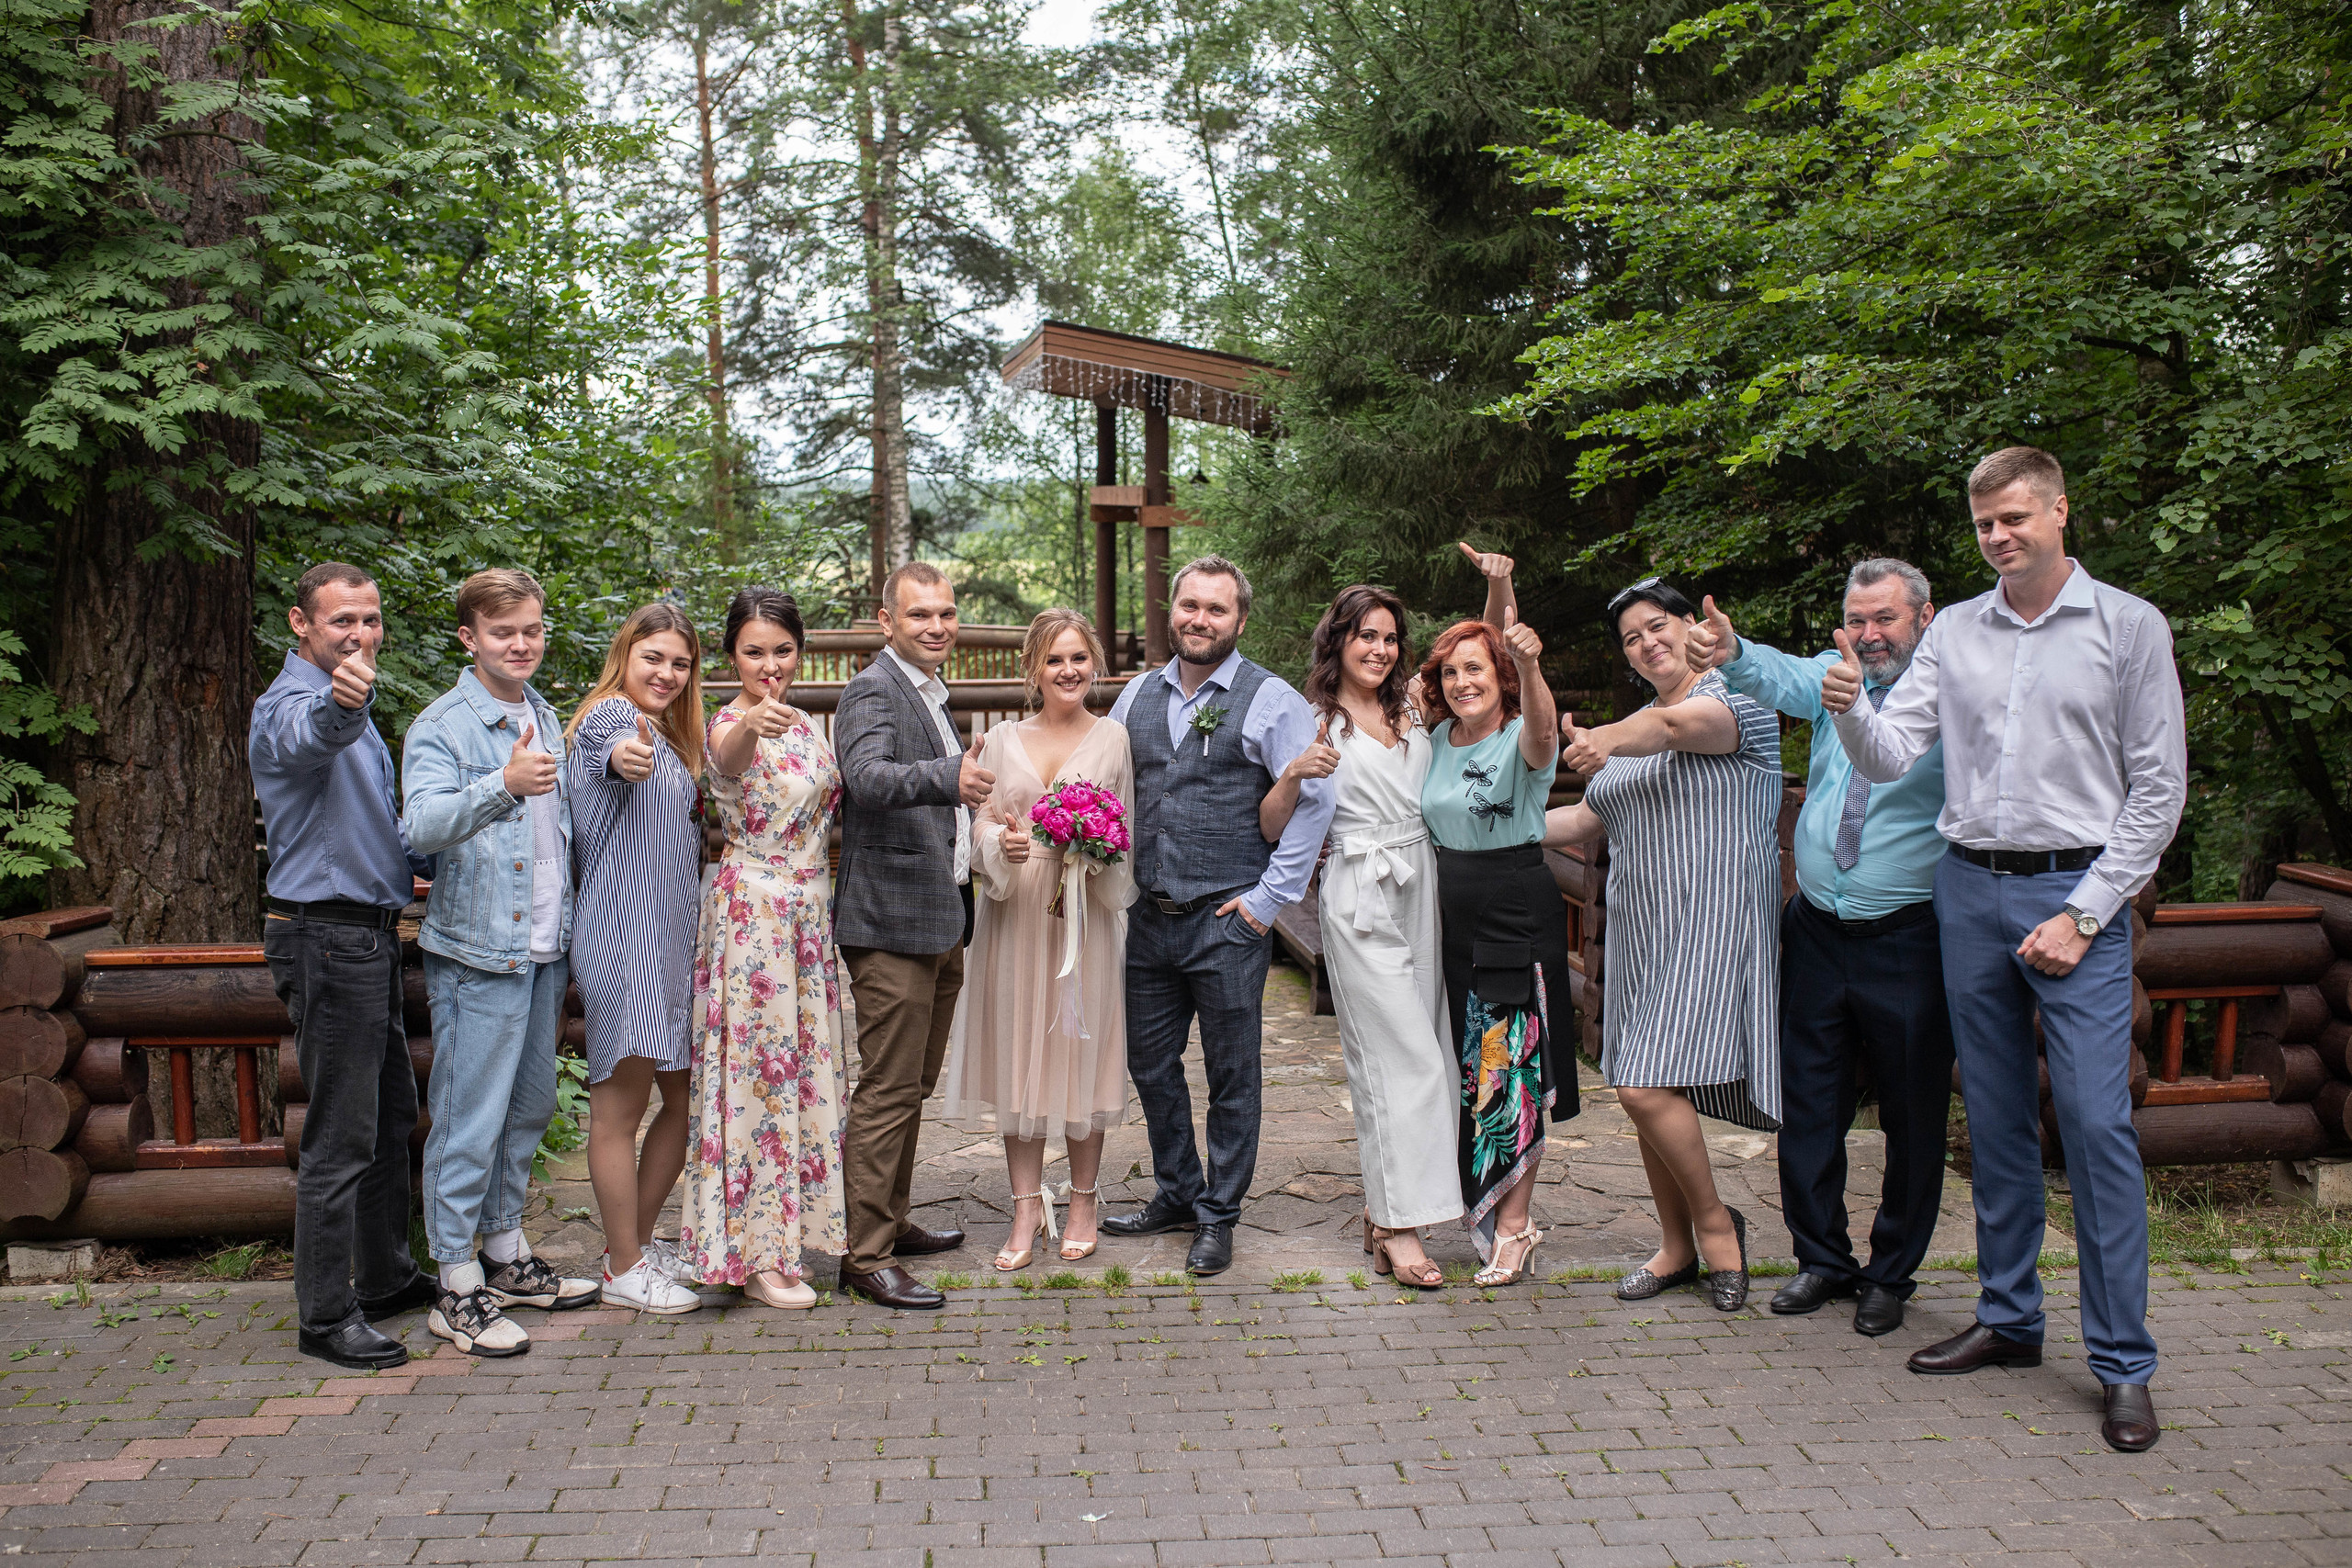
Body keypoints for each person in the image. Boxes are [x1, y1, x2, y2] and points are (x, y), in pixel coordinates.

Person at [1826, 446, 2185, 1454]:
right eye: (1985, 524)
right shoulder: (1958, 634)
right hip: (1967, 888)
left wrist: (2085, 914)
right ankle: (2010, 1319)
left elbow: (2158, 790)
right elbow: (1896, 755)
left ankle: (2122, 1364)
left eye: (2016, 517)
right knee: (1989, 1117)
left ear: (2060, 510)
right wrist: (1852, 712)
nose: (1999, 537)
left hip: (2078, 894)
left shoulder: (2126, 627)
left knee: (2092, 1123)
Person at [1683, 560, 1952, 1337]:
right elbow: (1776, 674)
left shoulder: (1950, 693)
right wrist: (1733, 650)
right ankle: (1822, 1259)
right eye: (1857, 620)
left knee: (1912, 1117)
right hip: (1817, 931)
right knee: (1809, 1108)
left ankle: (1890, 1273)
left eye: (1886, 620)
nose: (1870, 636)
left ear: (1925, 619)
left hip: (1909, 937)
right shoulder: (1835, 675)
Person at [1544, 578, 1782, 1312]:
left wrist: (1600, 739)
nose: (1647, 643)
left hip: (1718, 920)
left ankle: (1716, 1228)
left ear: (1689, 626)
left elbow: (1680, 730)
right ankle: (1676, 1245)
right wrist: (1477, 833)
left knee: (1643, 1082)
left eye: (1657, 627)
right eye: (1632, 639)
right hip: (1646, 931)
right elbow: (1584, 820)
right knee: (1652, 1088)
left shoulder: (1736, 701)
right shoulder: (1638, 723)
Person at [1102, 555, 1338, 1276]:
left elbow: (1315, 803)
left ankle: (1219, 1213)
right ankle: (1176, 1188)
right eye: (1190, 605)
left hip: (1227, 917)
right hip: (1148, 916)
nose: (1199, 619)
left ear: (1240, 620)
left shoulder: (1272, 699)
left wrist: (1268, 901)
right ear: (1172, 610)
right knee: (1149, 1062)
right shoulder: (1135, 695)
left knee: (1232, 1072)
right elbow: (1107, 790)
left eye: (1216, 609)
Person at [401, 569, 603, 1357]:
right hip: (479, 954)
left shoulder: (544, 711)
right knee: (467, 1119)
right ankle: (454, 1285)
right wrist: (501, 785)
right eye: (502, 632)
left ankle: (505, 1254)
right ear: (469, 637)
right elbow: (420, 823)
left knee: (526, 1111)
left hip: (543, 950)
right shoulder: (444, 725)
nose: (520, 644)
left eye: (531, 630)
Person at [251, 560, 435, 1370]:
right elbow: (308, 735)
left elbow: (374, 829)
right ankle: (325, 1316)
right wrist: (342, 702)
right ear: (302, 625)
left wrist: (419, 851)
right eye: (341, 623)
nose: (360, 635)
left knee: (391, 1117)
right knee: (339, 1137)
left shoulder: (353, 705)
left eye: (370, 620)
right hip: (325, 940)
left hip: (370, 933)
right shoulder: (291, 705)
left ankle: (387, 1276)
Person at [942, 610, 1137, 1270]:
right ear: (1033, 668)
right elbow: (978, 830)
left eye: (1080, 657)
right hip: (1016, 914)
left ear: (1096, 665)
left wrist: (1095, 849)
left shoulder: (1113, 738)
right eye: (1055, 659)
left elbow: (1124, 830)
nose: (1068, 670)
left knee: (1082, 1057)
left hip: (1084, 917)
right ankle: (1027, 1204)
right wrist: (1004, 842)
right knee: (1019, 1057)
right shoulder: (998, 740)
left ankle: (1082, 1200)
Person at [680, 588, 848, 1311]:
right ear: (731, 658)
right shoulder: (727, 721)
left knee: (802, 1078)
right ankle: (750, 1254)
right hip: (754, 921)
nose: (770, 665)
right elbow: (726, 760)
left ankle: (787, 1239)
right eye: (754, 651)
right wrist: (749, 720)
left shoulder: (810, 726)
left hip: (809, 919)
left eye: (782, 650)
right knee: (755, 1081)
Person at [832, 561, 988, 1309]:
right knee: (888, 1087)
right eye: (920, 614)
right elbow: (865, 778)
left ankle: (888, 1223)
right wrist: (947, 775)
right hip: (890, 921)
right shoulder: (873, 688)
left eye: (947, 614)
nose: (937, 626)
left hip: (940, 912)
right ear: (886, 620)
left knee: (913, 1085)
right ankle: (863, 1256)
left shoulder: (929, 691)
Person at [1416, 578, 1574, 1286]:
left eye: (1475, 670)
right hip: (1451, 916)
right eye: (1450, 671)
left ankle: (1516, 1226)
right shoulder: (1438, 738)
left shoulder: (1521, 734)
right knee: (1471, 1065)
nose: (1460, 681)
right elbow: (1483, 646)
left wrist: (1530, 662)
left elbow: (1542, 731)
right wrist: (1497, 593)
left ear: (1502, 678)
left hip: (1513, 906)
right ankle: (1486, 1207)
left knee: (1509, 1062)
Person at [564, 603, 707, 1315]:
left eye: (680, 663)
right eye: (654, 656)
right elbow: (615, 753)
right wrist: (627, 754)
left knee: (683, 1100)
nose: (668, 673)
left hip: (673, 944)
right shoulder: (608, 719)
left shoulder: (675, 737)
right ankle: (622, 1266)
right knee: (619, 1109)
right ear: (626, 653)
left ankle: (639, 1246)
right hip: (625, 940)